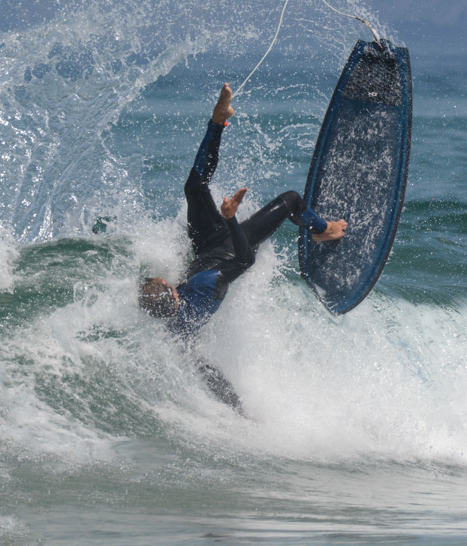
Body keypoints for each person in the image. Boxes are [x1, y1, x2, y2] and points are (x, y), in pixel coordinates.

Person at [139, 83, 346, 412]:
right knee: (292, 200)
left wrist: (236, 408)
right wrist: (232, 219)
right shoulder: (207, 286)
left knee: (195, 187)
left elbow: (205, 370)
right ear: (173, 292)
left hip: (205, 244)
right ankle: (324, 231)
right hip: (233, 246)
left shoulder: (178, 331)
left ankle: (219, 120)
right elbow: (246, 261)